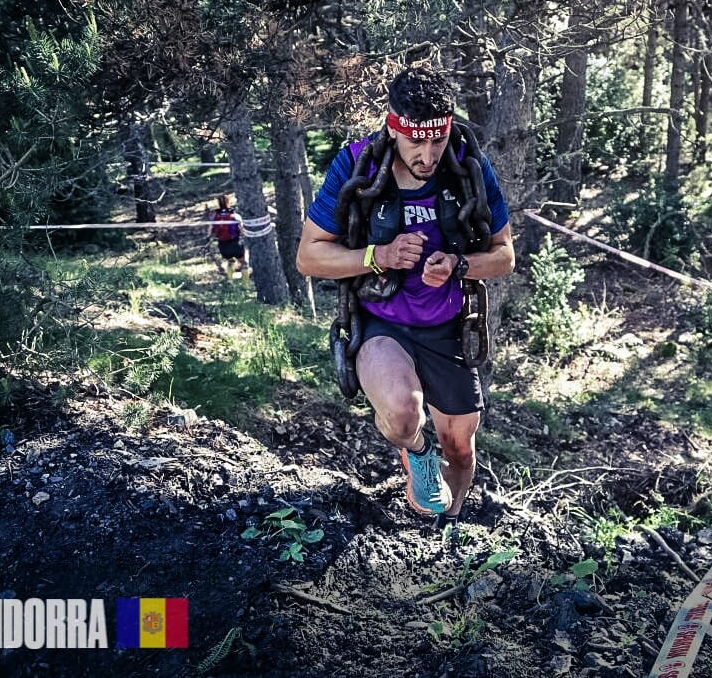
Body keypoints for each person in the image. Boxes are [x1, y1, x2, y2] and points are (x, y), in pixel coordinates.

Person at [296, 67, 514, 529]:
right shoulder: (357, 165)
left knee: (460, 448)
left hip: (447, 325)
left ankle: (447, 526)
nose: (427, 155)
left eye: (437, 140)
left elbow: (504, 256)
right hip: (383, 321)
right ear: (394, 126)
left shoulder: (467, 167)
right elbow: (309, 257)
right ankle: (418, 452)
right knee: (401, 413)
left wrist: (458, 265)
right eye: (416, 141)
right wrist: (379, 255)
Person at [209, 194, 249, 279]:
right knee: (243, 263)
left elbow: (210, 231)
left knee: (230, 262)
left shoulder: (215, 217)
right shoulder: (235, 216)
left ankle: (230, 281)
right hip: (236, 243)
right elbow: (242, 229)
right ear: (229, 202)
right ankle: (246, 283)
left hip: (223, 245)